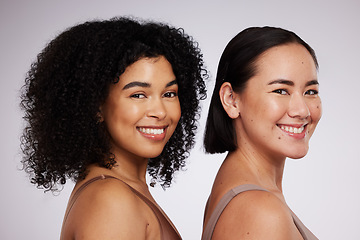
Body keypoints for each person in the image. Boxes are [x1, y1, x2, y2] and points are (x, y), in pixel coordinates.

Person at [20, 17, 207, 240]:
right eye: (138, 95)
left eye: (169, 94)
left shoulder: (121, 188)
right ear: (96, 106)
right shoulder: (111, 200)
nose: (160, 111)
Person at [201, 26, 321, 240]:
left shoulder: (246, 195)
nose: (302, 110)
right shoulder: (260, 210)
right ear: (231, 99)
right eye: (281, 90)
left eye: (310, 91)